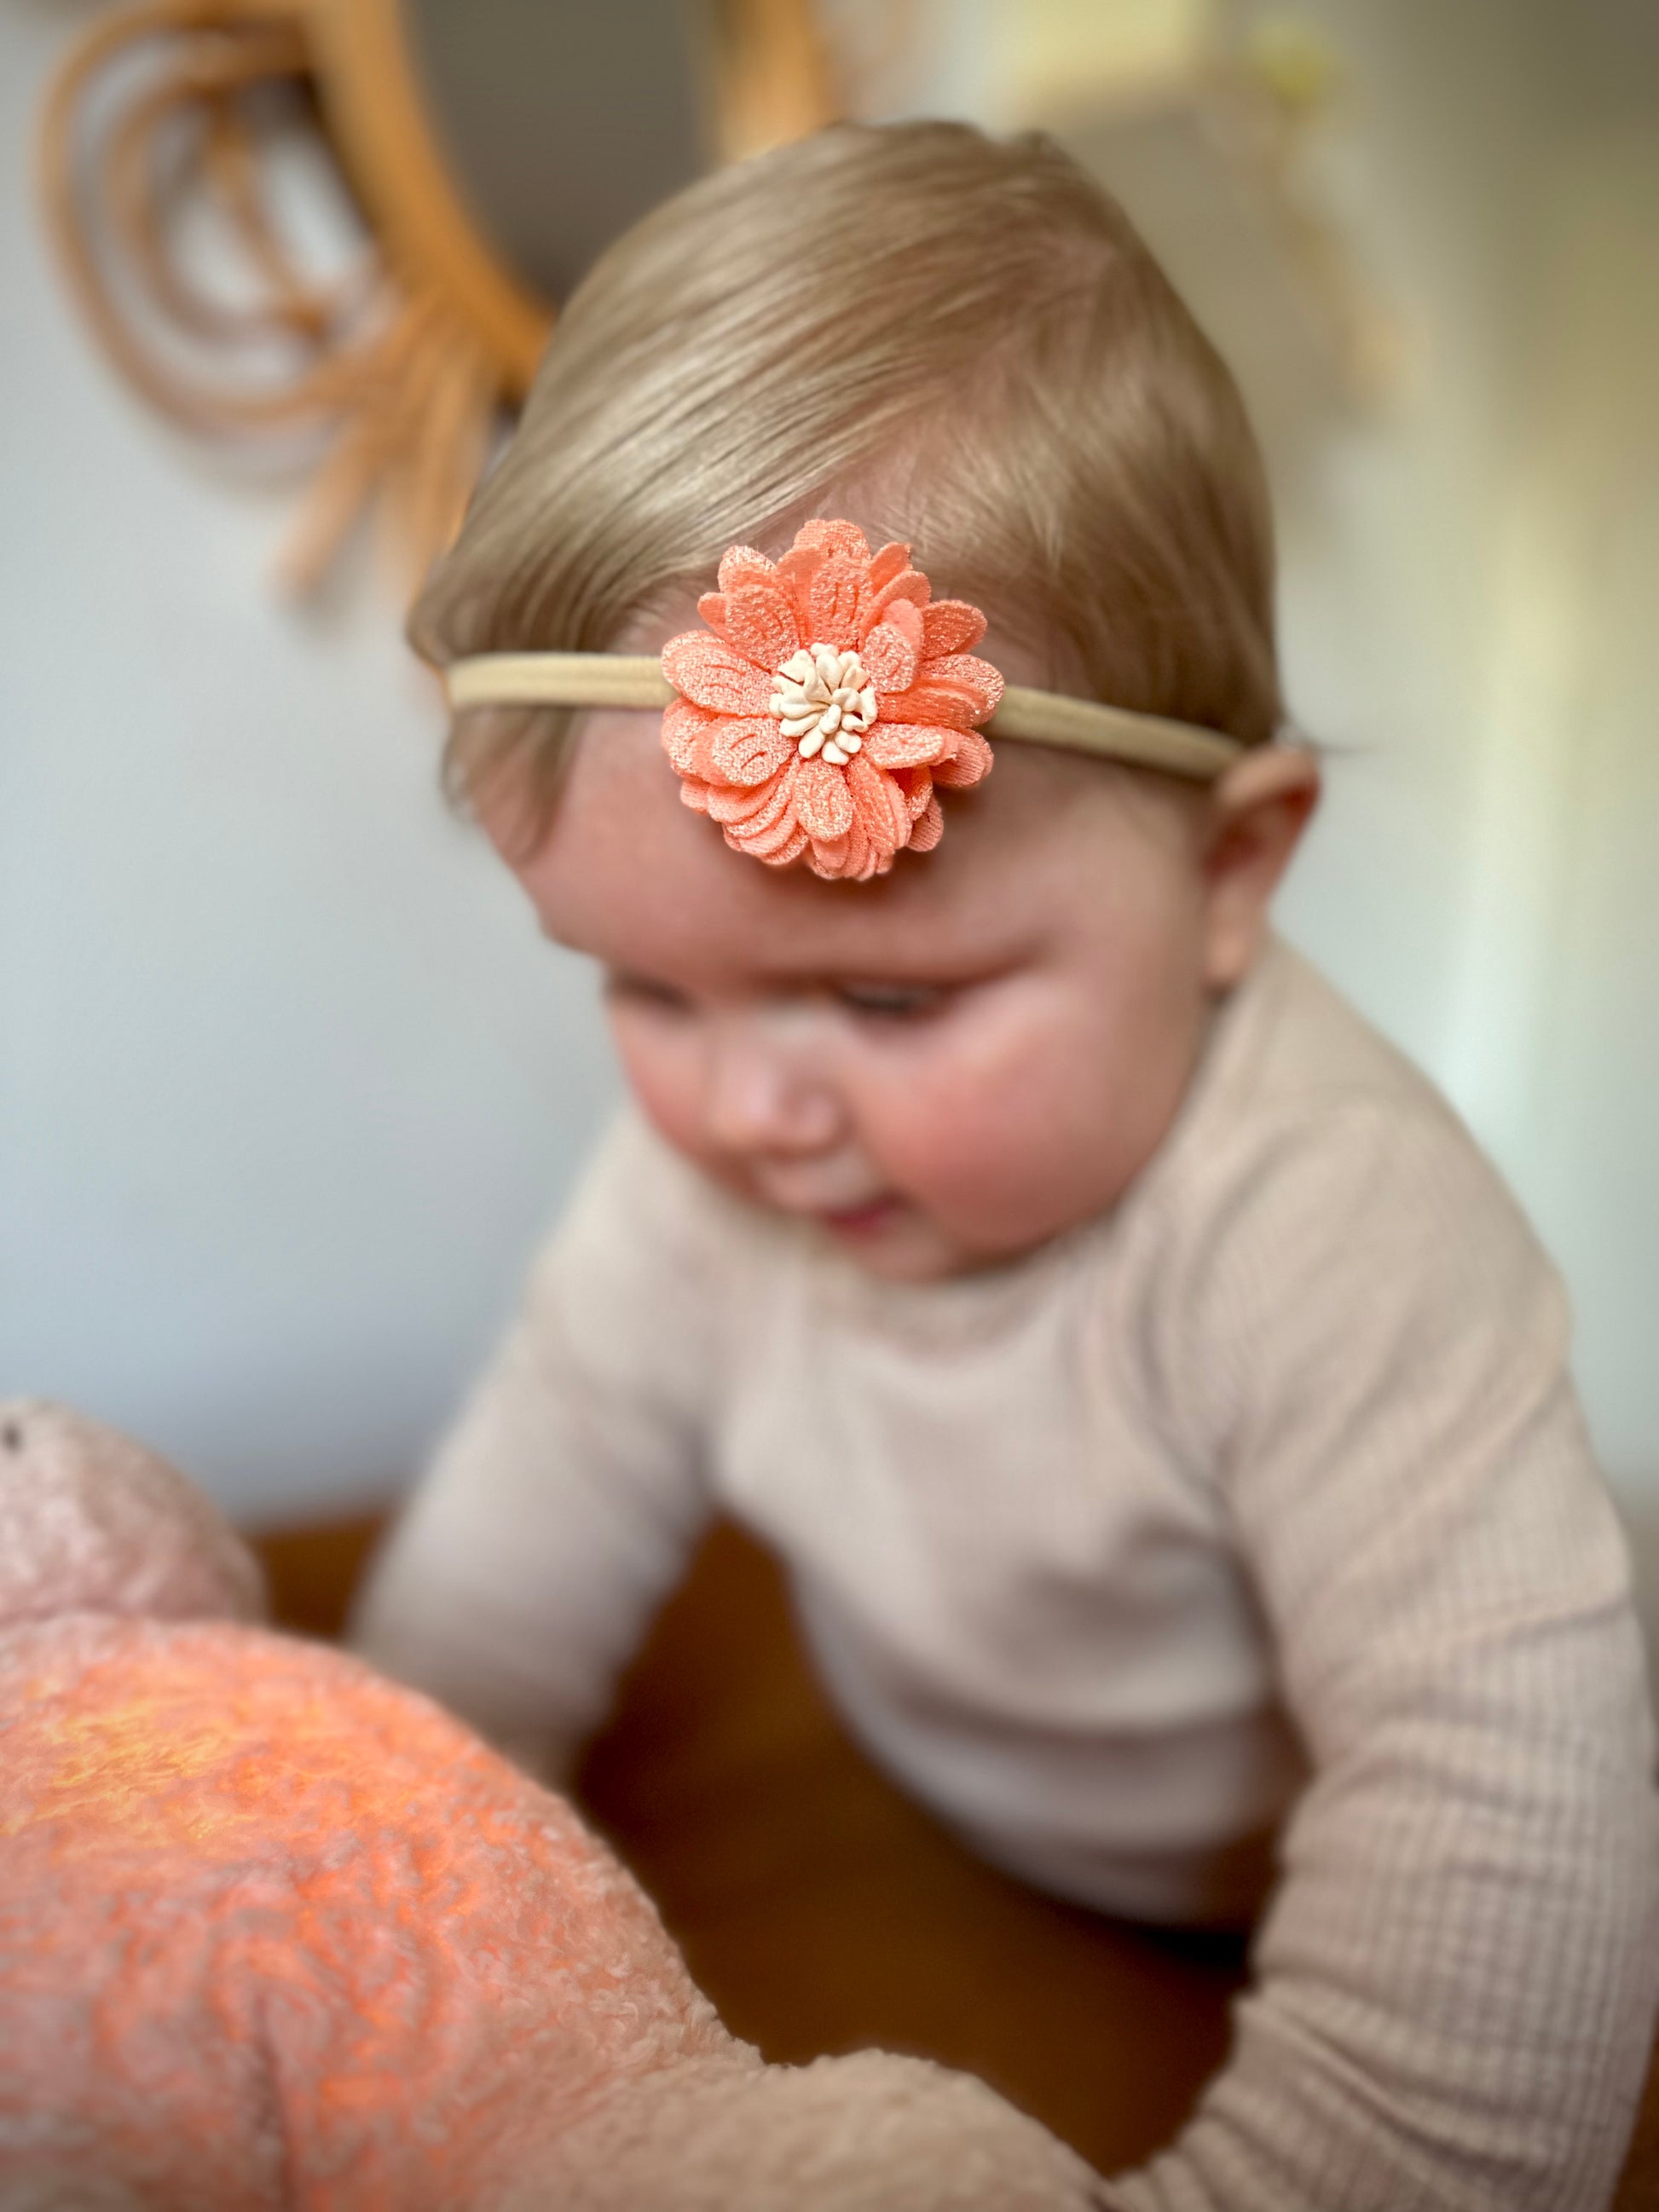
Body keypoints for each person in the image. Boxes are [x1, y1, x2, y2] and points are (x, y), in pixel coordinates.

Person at [352, 121, 1659, 2209]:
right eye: (648, 990)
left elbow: (1489, 1810)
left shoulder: (1321, 1218)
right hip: (981, 1813)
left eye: (880, 1004)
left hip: (1313, 1871)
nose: (745, 1107)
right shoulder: (708, 1182)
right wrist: (356, 1885)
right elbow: (503, 1570)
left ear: (1231, 870)